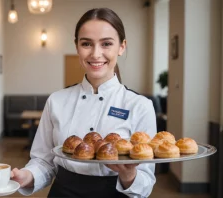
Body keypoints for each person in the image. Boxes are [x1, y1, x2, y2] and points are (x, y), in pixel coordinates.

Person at [11, 8, 156, 198]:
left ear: (121, 47)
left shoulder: (140, 106)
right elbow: (44, 162)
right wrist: (27, 175)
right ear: (77, 46)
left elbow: (146, 181)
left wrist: (129, 175)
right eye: (87, 43)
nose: (96, 54)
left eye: (106, 44)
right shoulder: (56, 101)